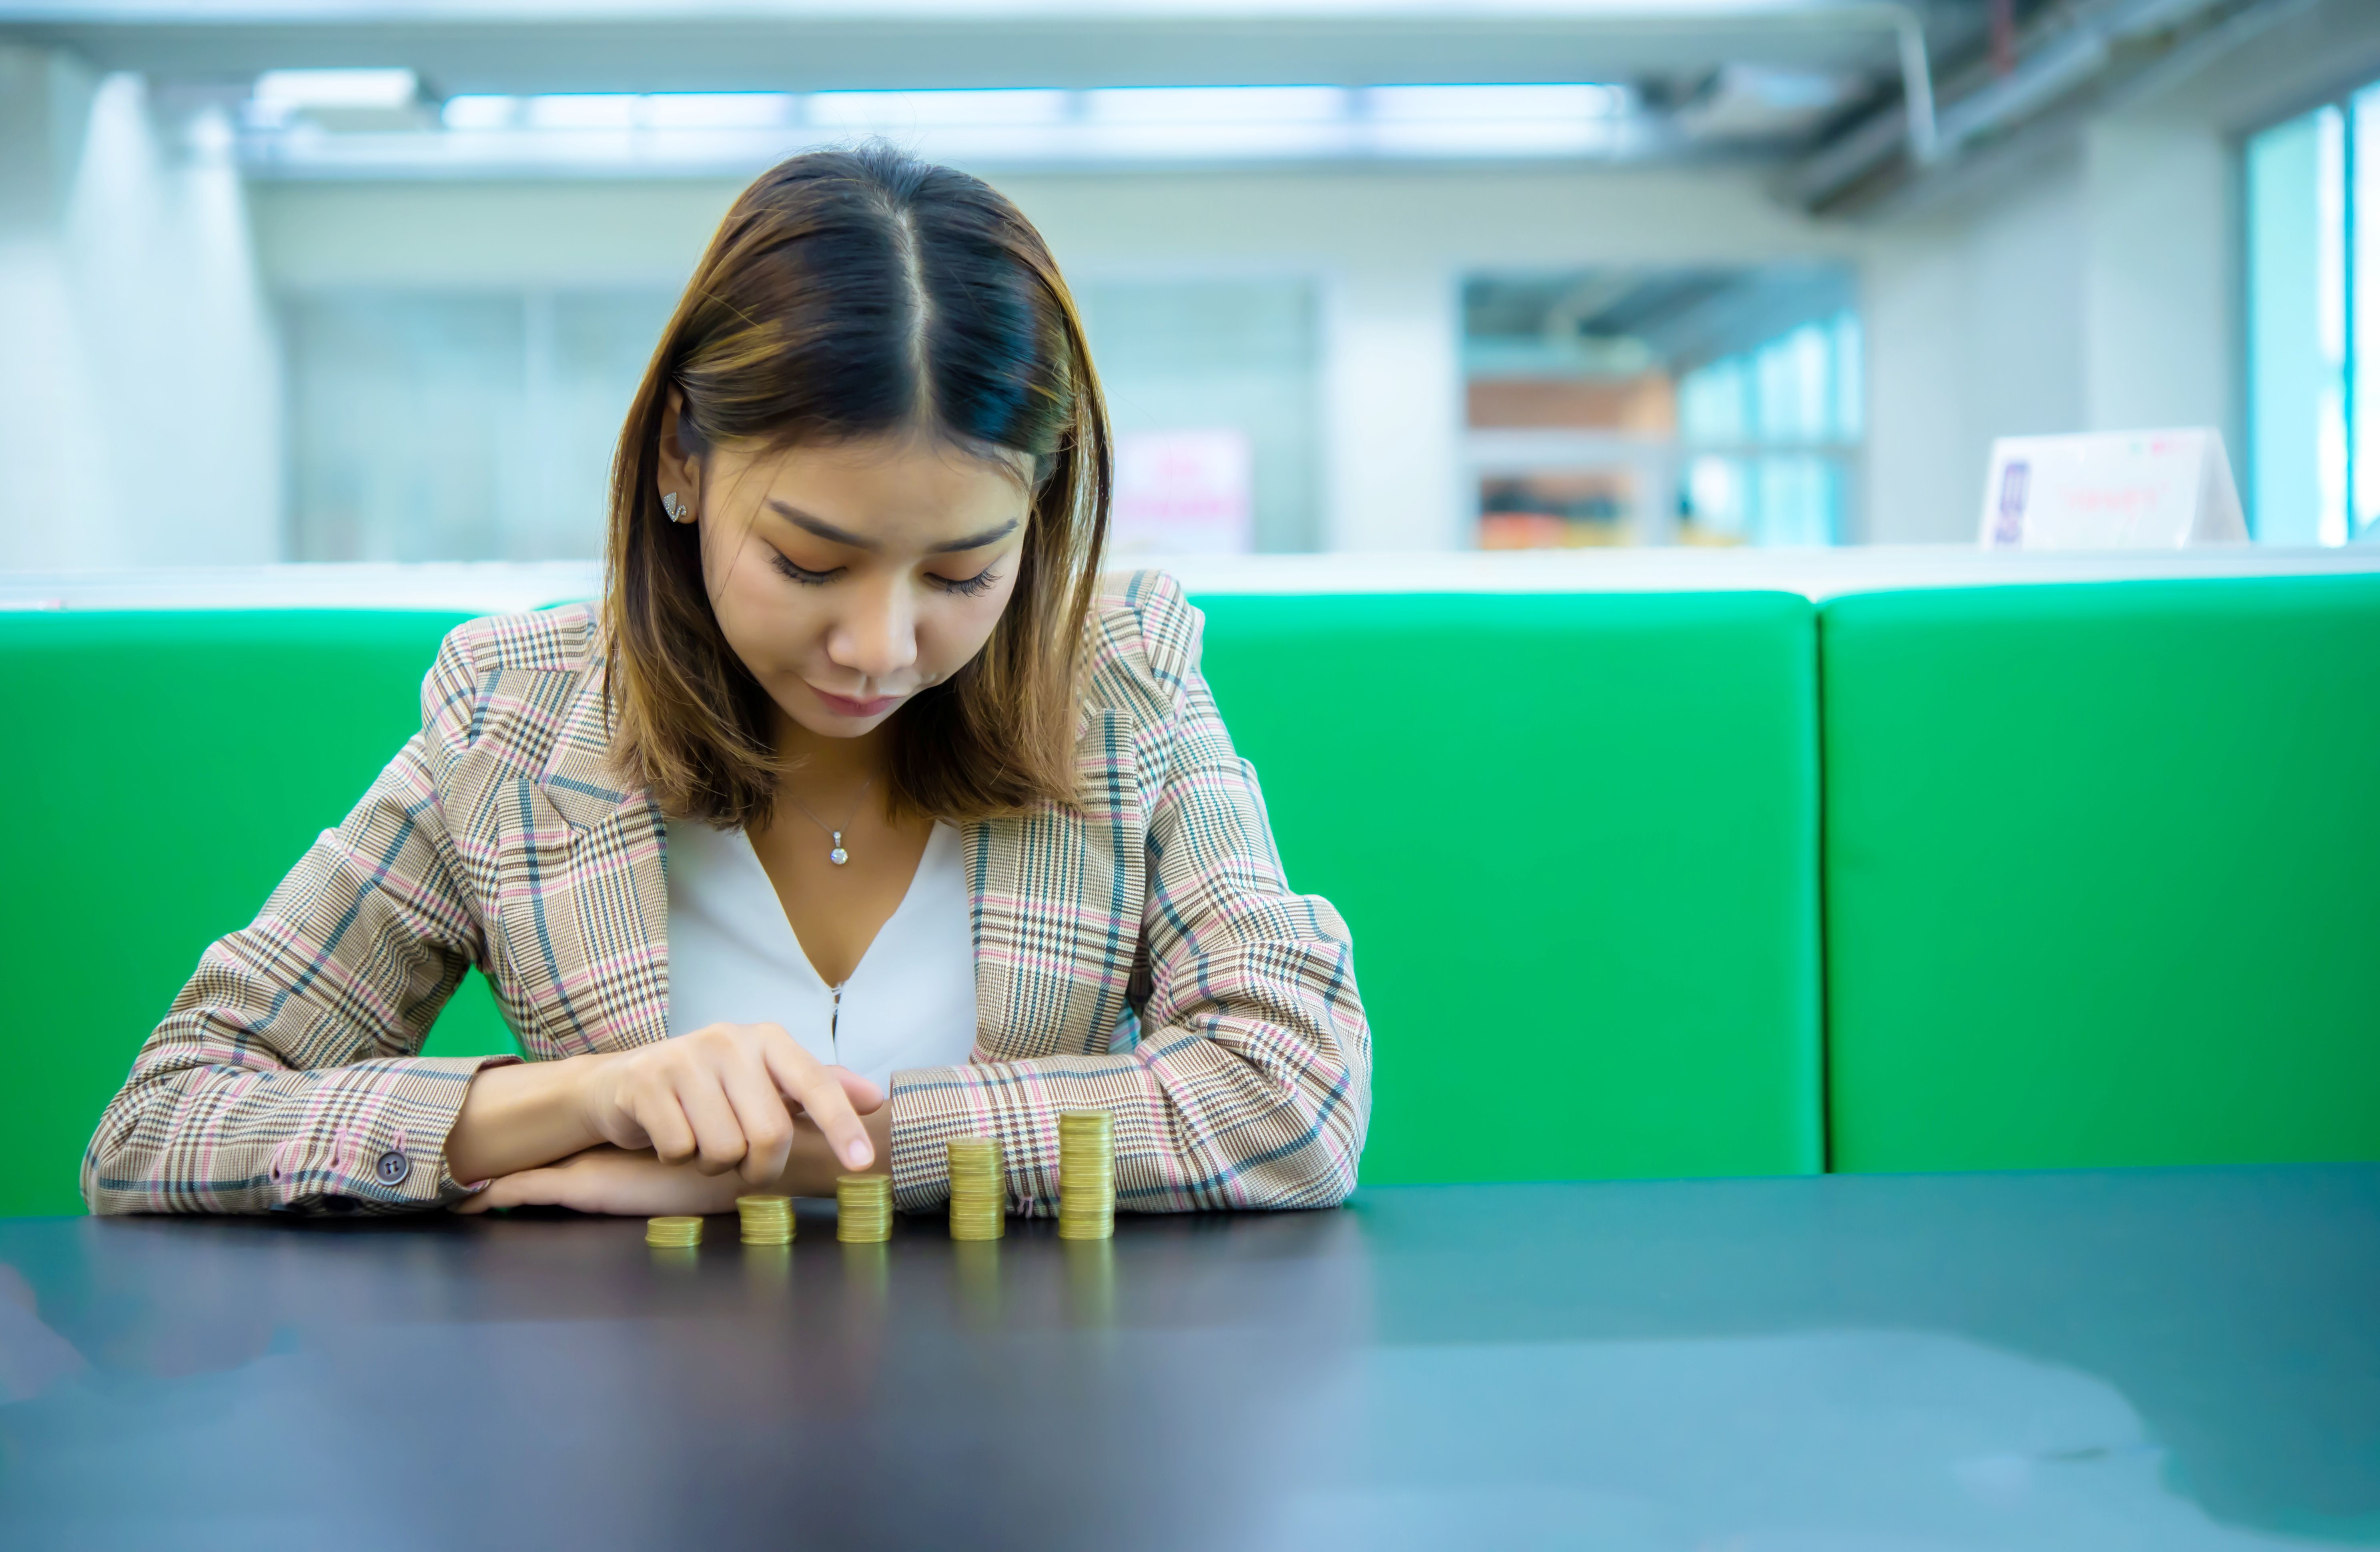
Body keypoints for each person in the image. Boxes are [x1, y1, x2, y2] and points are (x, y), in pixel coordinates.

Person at [82, 147, 1369, 1221]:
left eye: (962, 574)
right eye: (811, 562)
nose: (880, 647)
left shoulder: (1119, 683)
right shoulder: (516, 721)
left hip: (1033, 1437)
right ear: (681, 463)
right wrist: (567, 1107)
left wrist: (794, 1155)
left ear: (1040, 504)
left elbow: (1292, 1095)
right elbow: (161, 1122)